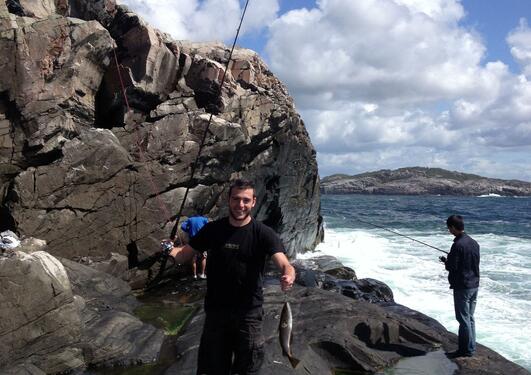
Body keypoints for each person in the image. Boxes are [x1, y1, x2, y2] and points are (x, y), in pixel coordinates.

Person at [169, 179, 296, 375]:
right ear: (228, 200)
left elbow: (285, 264)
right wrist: (169, 250)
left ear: (253, 202)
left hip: (249, 316)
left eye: (246, 200)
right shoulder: (213, 230)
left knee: (248, 370)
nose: (240, 205)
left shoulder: (263, 233)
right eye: (236, 199)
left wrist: (288, 276)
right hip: (216, 314)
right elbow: (183, 255)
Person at [439, 214, 480, 358]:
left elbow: (452, 267)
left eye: (449, 228)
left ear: (453, 227)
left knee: (463, 319)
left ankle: (465, 350)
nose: (449, 231)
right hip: (474, 285)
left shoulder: (457, 245)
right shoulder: (474, 243)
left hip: (463, 286)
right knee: (470, 317)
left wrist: (446, 261)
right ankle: (471, 347)